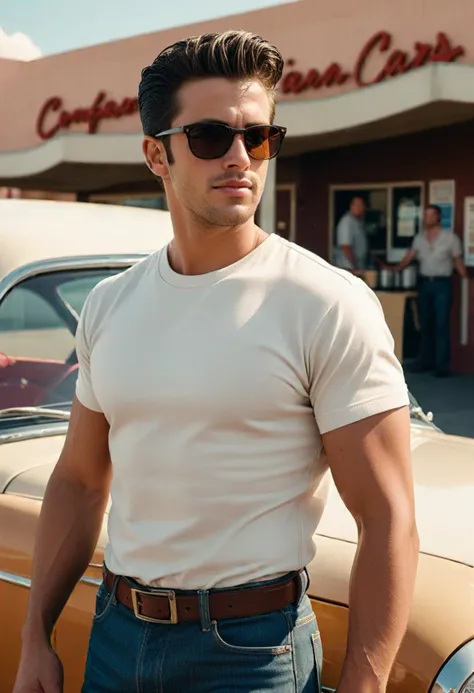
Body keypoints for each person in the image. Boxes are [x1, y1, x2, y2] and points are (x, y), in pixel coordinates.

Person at [13, 31, 419, 693]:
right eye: (209, 137)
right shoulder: (111, 306)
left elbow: (388, 515)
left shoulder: (325, 302)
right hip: (117, 637)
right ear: (156, 155)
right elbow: (80, 481)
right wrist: (37, 635)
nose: (239, 157)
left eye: (257, 137)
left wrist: (365, 687)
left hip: (252, 655)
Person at [392, 204, 468, 377]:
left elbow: (457, 261)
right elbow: (409, 257)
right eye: (425, 215)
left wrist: (465, 277)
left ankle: (442, 366)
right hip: (425, 283)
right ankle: (425, 361)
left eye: (430, 215)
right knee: (425, 323)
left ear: (438, 217)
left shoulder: (450, 238)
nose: (426, 218)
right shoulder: (419, 238)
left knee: (441, 324)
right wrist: (394, 269)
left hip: (442, 284)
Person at [334, 196, 368, 273]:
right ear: (351, 206)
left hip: (357, 267)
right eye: (356, 205)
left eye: (361, 205)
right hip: (348, 268)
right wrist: (355, 267)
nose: (358, 208)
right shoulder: (347, 221)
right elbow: (345, 247)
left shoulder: (358, 222)